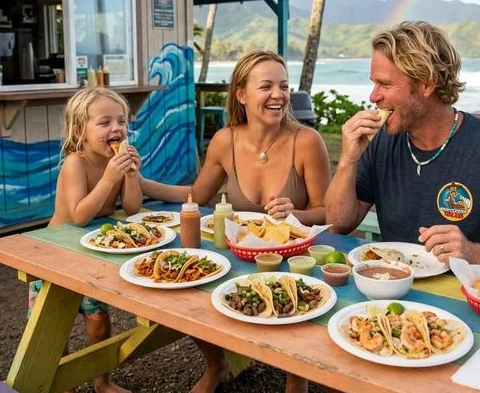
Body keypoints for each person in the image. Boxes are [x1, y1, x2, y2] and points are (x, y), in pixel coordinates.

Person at [140, 50, 331, 393]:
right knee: (189, 288)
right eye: (267, 86)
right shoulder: (224, 140)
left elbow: (326, 212)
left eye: (284, 86)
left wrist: (295, 214)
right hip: (238, 256)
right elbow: (197, 196)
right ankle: (216, 364)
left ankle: (295, 376)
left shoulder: (307, 141)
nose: (279, 95)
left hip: (291, 259)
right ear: (241, 94)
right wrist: (141, 184)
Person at [325, 21, 480, 271]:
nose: (373, 96)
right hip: (394, 293)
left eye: (385, 84)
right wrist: (348, 160)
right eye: (374, 83)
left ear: (427, 84)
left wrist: (475, 253)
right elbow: (337, 224)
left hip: (474, 297)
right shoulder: (382, 142)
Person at [30, 87, 142, 393]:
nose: (116, 128)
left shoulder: (116, 163)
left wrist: (130, 176)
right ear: (80, 132)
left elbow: (132, 208)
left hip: (88, 256)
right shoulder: (75, 163)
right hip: (55, 254)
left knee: (98, 320)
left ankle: (102, 381)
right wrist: (109, 177)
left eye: (121, 121)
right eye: (104, 122)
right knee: (55, 326)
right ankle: (61, 382)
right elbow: (80, 215)